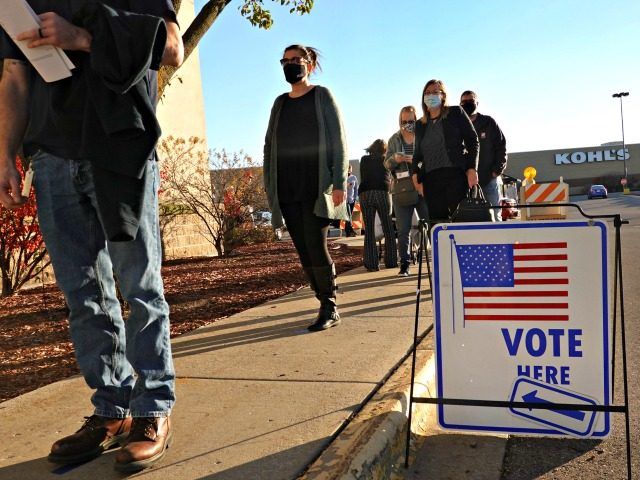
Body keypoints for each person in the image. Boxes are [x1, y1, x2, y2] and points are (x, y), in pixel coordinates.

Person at [0, 1, 183, 473]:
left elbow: (172, 48)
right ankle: (112, 409)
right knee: (83, 295)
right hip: (51, 155)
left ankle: (152, 409)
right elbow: (15, 75)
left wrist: (82, 37)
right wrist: (4, 155)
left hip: (120, 145)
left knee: (140, 287)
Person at [263, 44, 348, 332]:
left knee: (316, 244)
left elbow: (338, 141)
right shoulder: (280, 103)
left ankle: (330, 304)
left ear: (309, 64)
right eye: (285, 60)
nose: (290, 65)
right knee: (302, 249)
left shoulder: (322, 96)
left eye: (295, 60)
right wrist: (270, 187)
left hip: (316, 187)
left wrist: (339, 184)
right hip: (287, 187)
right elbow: (269, 147)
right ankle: (322, 299)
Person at [412, 79, 479, 222]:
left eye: (435, 92)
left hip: (455, 176)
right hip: (431, 180)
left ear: (443, 95)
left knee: (461, 221)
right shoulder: (420, 125)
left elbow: (472, 141)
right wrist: (415, 176)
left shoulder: (455, 113)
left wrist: (472, 168)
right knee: (438, 224)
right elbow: (417, 154)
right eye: (427, 93)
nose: (431, 96)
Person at [385, 106, 429, 276]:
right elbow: (386, 165)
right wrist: (395, 159)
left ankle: (439, 260)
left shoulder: (424, 136)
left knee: (430, 225)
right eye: (404, 121)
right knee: (403, 230)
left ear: (416, 120)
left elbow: (432, 158)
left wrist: (417, 161)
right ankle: (404, 263)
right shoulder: (394, 139)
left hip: (422, 187)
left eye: (411, 121)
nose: (407, 125)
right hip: (402, 189)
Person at [460, 90, 507, 220]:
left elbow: (501, 146)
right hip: (465, 183)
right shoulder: (458, 125)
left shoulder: (488, 122)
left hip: (488, 180)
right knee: (467, 219)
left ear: (477, 103)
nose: (468, 104)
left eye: (471, 101)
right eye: (464, 102)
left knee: (494, 217)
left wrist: (496, 171)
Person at [358, 139, 398, 272]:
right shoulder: (386, 159)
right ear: (384, 149)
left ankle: (371, 264)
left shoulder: (364, 159)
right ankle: (391, 261)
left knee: (369, 229)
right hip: (382, 191)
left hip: (365, 193)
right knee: (388, 227)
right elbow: (393, 175)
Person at [344, 164, 359, 236]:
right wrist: (346, 185)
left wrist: (356, 198)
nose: (349, 170)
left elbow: (356, 189)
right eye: (348, 168)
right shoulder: (343, 177)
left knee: (349, 216)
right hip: (344, 200)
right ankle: (351, 230)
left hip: (352, 199)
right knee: (348, 215)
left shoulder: (354, 177)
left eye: (350, 168)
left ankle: (347, 232)